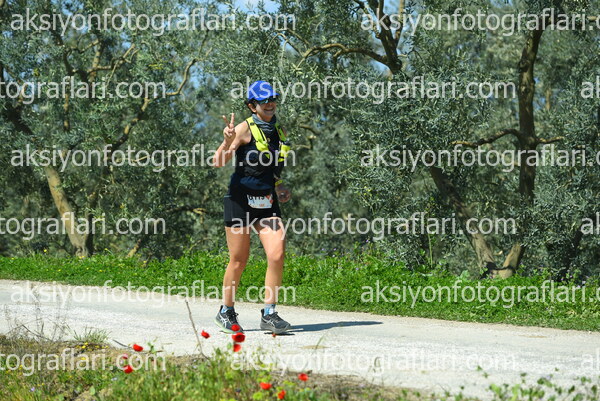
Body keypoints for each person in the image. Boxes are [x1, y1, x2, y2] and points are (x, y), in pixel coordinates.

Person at [212, 80, 292, 334]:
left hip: (266, 202)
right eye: (263, 100)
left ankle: (269, 313)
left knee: (277, 254)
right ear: (252, 105)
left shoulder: (279, 131)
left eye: (272, 99)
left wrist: (279, 185)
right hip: (239, 201)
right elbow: (218, 161)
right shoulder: (244, 128)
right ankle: (226, 311)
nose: (269, 104)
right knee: (239, 260)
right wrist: (227, 141)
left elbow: (271, 167)